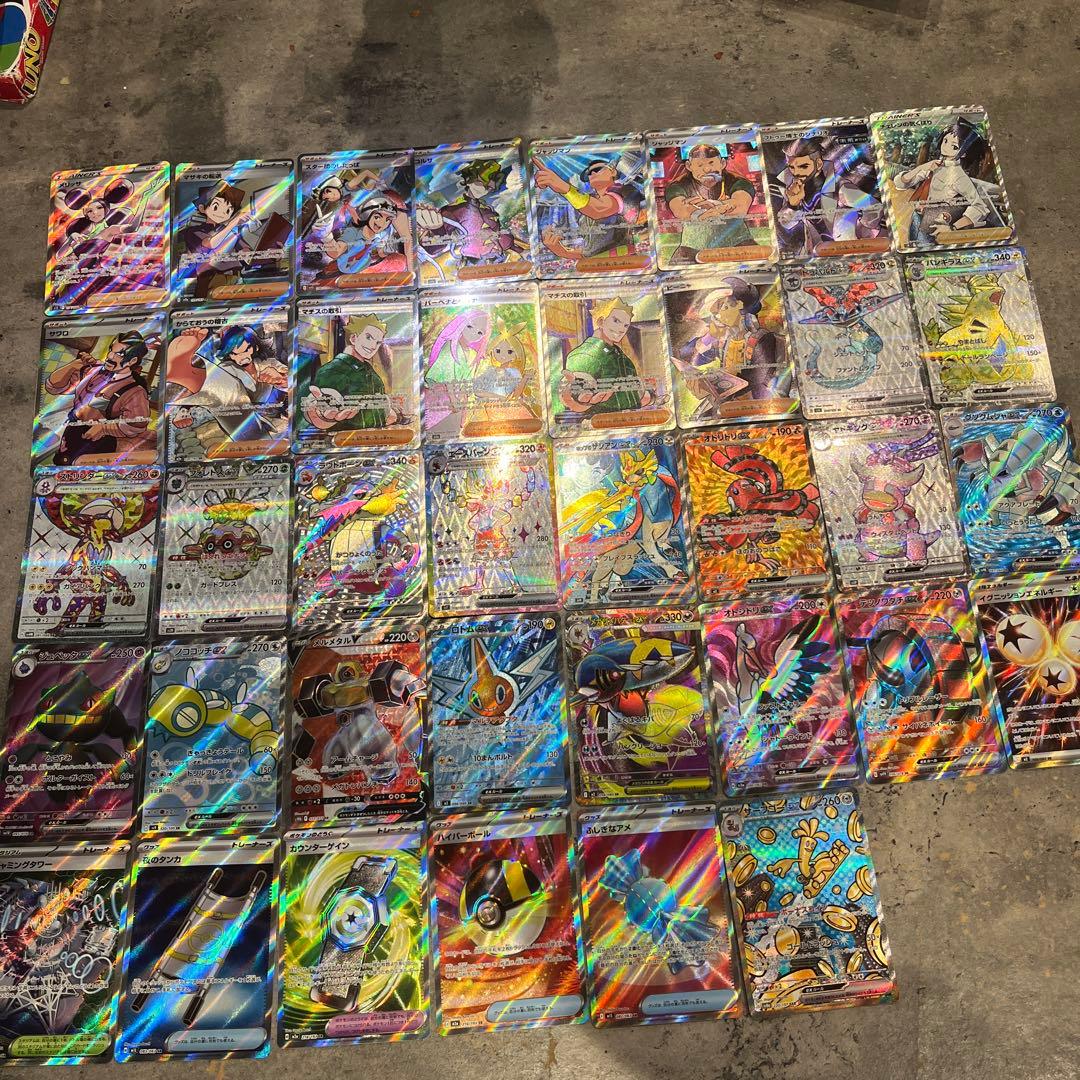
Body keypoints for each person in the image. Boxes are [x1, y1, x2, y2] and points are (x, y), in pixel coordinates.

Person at [674, 277, 786, 421]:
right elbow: (691, 356)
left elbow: (760, 378)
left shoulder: (762, 338)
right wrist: (708, 337)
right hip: (728, 404)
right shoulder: (724, 342)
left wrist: (715, 386)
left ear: (739, 305)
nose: (718, 316)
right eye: (715, 313)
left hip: (755, 408)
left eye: (723, 307)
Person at [169, 325, 288, 447]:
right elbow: (211, 390)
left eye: (246, 350)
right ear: (229, 354)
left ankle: (186, 372)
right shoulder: (228, 368)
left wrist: (280, 378)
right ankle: (187, 371)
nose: (241, 357)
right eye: (234, 353)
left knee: (229, 390)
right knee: (227, 387)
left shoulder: (268, 363)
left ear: (255, 347)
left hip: (261, 417)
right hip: (235, 412)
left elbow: (291, 377)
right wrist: (184, 411)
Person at [46, 331, 152, 465]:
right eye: (111, 350)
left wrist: (104, 429)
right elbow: (53, 387)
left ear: (132, 361)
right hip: (72, 428)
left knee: (85, 471)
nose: (110, 356)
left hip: (99, 440)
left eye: (119, 354)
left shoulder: (135, 391)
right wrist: (74, 365)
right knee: (61, 463)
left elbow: (137, 424)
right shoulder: (94, 370)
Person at [894, 117, 1002, 245]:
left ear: (964, 153)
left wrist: (953, 228)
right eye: (945, 140)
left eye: (954, 146)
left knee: (923, 251)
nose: (946, 147)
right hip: (917, 216)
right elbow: (901, 183)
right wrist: (920, 168)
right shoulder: (935, 165)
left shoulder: (959, 176)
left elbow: (979, 207)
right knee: (912, 246)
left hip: (934, 223)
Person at [532, 156, 643, 264]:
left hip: (622, 264)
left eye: (598, 169)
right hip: (597, 268)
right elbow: (589, 252)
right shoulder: (585, 214)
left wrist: (562, 186)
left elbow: (599, 209)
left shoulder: (625, 191)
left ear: (613, 171)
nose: (592, 174)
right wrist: (561, 251)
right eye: (589, 173)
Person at [560, 296, 654, 417]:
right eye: (616, 321)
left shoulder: (622, 357)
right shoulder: (583, 354)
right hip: (600, 422)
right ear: (601, 321)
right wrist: (581, 400)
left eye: (626, 325)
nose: (622, 329)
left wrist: (650, 397)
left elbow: (632, 397)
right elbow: (578, 395)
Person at [416, 158, 521, 265]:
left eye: (489, 188)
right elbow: (433, 248)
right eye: (480, 183)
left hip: (496, 261)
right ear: (469, 180)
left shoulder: (487, 209)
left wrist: (519, 250)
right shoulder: (453, 210)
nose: (484, 190)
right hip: (471, 262)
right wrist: (437, 229)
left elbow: (500, 235)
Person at [663, 143, 756, 263]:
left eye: (711, 163)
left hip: (738, 243)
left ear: (722, 163)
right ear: (689, 166)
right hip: (693, 247)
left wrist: (714, 207)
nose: (707, 169)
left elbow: (741, 205)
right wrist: (700, 214)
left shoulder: (737, 181)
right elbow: (679, 208)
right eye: (700, 165)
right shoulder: (678, 185)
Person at [302, 314, 396, 432]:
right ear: (353, 338)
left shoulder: (369, 371)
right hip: (345, 440)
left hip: (376, 439)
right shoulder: (333, 370)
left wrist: (389, 413)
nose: (373, 346)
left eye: (378, 342)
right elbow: (319, 411)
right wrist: (324, 418)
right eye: (368, 337)